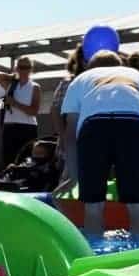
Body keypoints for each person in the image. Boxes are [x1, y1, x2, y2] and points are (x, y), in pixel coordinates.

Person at [61, 50, 139, 235]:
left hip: (94, 126)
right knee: (137, 206)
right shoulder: (135, 75)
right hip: (132, 124)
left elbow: (70, 133)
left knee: (93, 206)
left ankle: (95, 256)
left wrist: (72, 175)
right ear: (120, 65)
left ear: (90, 67)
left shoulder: (81, 78)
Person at [0, 57, 41, 168]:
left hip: (27, 127)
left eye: (26, 67)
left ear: (31, 69)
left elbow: (34, 111)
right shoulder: (11, 84)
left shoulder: (35, 87)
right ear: (16, 69)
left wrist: (15, 104)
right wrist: (14, 76)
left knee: (26, 160)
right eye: (21, 67)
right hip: (10, 126)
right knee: (9, 160)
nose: (23, 70)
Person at [50, 45, 86, 183]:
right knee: (69, 181)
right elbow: (55, 110)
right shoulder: (68, 83)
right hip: (72, 143)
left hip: (97, 143)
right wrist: (64, 137)